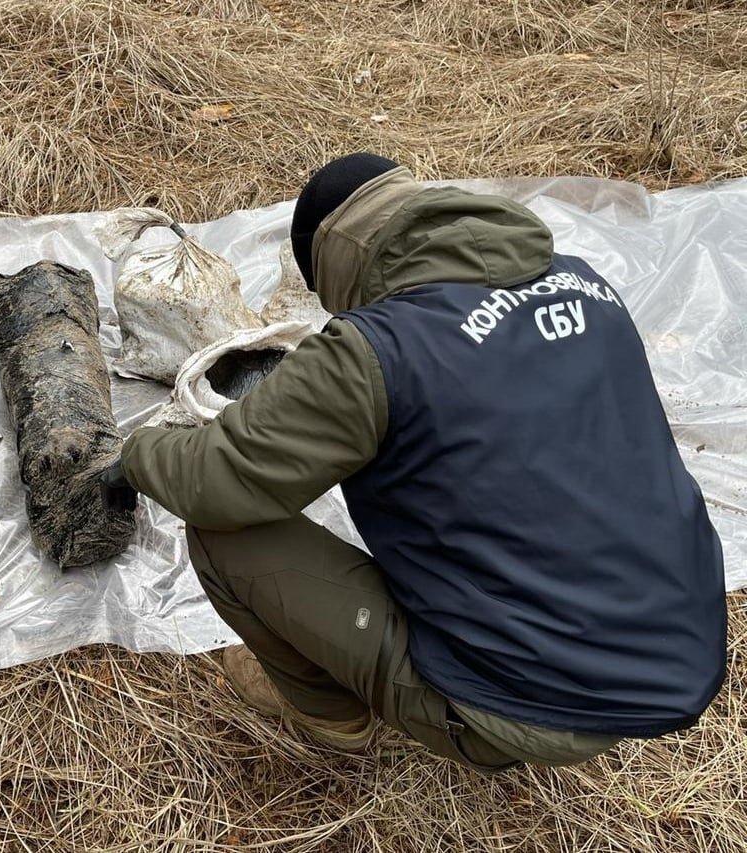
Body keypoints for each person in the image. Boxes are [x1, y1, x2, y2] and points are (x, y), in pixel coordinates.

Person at [103, 153, 727, 772]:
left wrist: (135, 455)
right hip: (680, 659)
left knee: (224, 534)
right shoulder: (586, 284)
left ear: (339, 263)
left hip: (522, 702)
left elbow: (219, 478)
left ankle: (331, 716)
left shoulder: (378, 348)